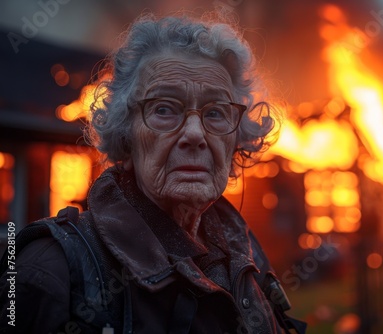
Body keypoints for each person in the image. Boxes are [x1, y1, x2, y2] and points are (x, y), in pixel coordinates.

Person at [0, 14, 306, 334]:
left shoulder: (247, 257)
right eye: (163, 108)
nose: (195, 134)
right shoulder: (48, 270)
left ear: (235, 147)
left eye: (215, 112)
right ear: (126, 138)